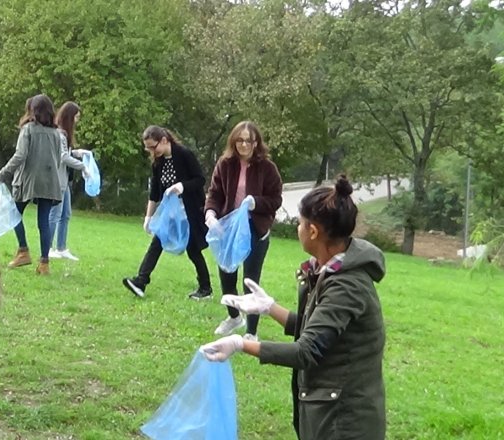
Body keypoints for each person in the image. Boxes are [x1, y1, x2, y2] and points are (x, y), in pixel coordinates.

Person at [200, 176, 386, 440]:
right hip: (329, 409)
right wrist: (269, 308)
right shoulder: (330, 271)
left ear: (313, 232)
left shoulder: (347, 285)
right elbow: (321, 332)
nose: (298, 229)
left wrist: (241, 344)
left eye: (300, 223)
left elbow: (306, 351)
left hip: (345, 421)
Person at [205, 121, 282, 337]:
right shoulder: (225, 164)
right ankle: (234, 317)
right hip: (228, 227)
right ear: (234, 141)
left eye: (249, 140)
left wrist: (255, 202)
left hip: (256, 228)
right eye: (240, 140)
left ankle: (251, 331)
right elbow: (215, 193)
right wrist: (210, 214)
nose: (244, 144)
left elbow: (276, 199)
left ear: (256, 142)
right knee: (226, 272)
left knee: (250, 279)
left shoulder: (267, 168)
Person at [122, 125, 212, 299]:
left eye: (152, 147)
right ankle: (141, 281)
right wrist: (148, 217)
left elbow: (200, 179)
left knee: (193, 250)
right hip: (171, 213)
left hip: (190, 211)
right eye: (147, 147)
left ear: (164, 141)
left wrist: (181, 186)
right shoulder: (158, 162)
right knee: (157, 242)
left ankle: (205, 288)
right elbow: (155, 191)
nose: (151, 151)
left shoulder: (185, 154)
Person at [0, 94, 64, 275]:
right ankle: (44, 263)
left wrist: (1, 175)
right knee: (44, 222)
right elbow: (58, 159)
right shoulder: (57, 133)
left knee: (14, 213)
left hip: (28, 180)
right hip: (50, 181)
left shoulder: (28, 130)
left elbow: (20, 155)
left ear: (32, 110)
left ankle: (23, 250)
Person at [48, 101, 89, 261]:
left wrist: (79, 153)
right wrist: (83, 166)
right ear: (70, 117)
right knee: (55, 214)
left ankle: (61, 247)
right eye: (76, 117)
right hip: (58, 180)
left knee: (66, 214)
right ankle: (48, 247)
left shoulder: (64, 134)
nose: (77, 121)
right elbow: (63, 157)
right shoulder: (59, 133)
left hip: (64, 181)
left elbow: (67, 152)